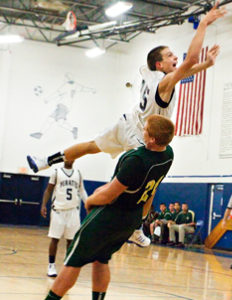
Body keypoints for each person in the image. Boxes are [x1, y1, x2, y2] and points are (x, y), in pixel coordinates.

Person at [27, 2, 226, 172]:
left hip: (128, 121)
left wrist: (207, 65)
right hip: (142, 137)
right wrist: (203, 23)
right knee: (144, 179)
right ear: (160, 65)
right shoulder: (164, 82)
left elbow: (185, 72)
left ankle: (44, 161)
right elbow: (190, 60)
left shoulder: (150, 74)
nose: (175, 57)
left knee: (91, 146)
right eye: (170, 56)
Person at [43, 114, 175, 300]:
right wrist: (141, 218)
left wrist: (90, 201)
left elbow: (110, 194)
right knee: (101, 259)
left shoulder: (136, 160)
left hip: (110, 215)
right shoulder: (168, 155)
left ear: (152, 139)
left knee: (73, 261)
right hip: (131, 218)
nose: (142, 130)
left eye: (145, 129)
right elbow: (148, 193)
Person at [40, 160, 87, 277]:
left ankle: (67, 266)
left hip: (73, 211)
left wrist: (88, 204)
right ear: (64, 159)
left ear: (75, 159)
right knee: (55, 239)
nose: (70, 159)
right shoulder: (56, 172)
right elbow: (48, 190)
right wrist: (43, 205)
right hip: (58, 210)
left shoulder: (78, 173)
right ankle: (51, 265)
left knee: (71, 241)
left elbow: (82, 191)